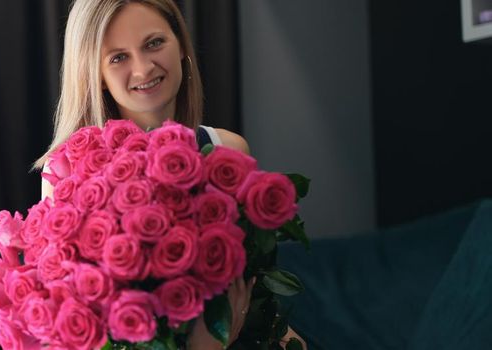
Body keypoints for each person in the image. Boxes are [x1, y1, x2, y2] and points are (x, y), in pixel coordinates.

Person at [32, 0, 307, 349]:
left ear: (180, 46)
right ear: (95, 75)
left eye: (154, 43)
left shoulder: (228, 151)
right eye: (118, 57)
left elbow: (254, 292)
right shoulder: (65, 172)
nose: (144, 68)